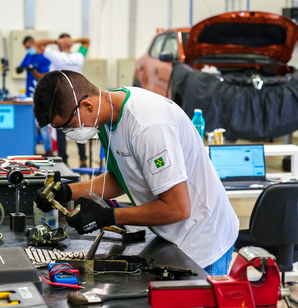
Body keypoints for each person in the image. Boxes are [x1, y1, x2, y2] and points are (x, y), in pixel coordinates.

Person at [33, 70, 239, 275]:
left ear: (87, 106)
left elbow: (178, 208)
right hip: (173, 238)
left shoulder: (148, 127)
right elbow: (120, 178)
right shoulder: (106, 118)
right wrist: (66, 192)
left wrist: (108, 216)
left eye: (69, 125)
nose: (69, 134)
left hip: (203, 243)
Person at [33, 34, 90, 167]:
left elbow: (38, 42)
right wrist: (73, 41)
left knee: (61, 129)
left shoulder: (56, 56)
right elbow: (87, 41)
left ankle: (64, 161)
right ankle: (83, 159)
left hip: (61, 99)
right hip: (78, 98)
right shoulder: (79, 56)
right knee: (79, 128)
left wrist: (56, 41)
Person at [16, 36, 54, 156]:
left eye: (29, 47)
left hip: (41, 95)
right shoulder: (29, 56)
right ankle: (31, 150)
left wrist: (33, 70)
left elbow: (42, 76)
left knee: (42, 124)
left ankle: (48, 150)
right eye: (26, 48)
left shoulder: (44, 59)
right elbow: (20, 68)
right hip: (29, 96)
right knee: (30, 125)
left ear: (34, 44)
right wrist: (19, 69)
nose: (28, 50)